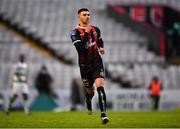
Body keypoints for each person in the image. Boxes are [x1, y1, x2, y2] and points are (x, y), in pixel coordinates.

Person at [70, 8, 109, 124]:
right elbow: (81, 49)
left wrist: (101, 47)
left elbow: (100, 40)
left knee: (100, 87)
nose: (87, 16)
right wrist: (86, 34)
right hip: (84, 66)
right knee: (90, 91)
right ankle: (88, 99)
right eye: (84, 15)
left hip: (97, 62)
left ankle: (103, 115)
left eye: (88, 15)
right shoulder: (75, 32)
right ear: (79, 17)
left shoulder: (95, 29)